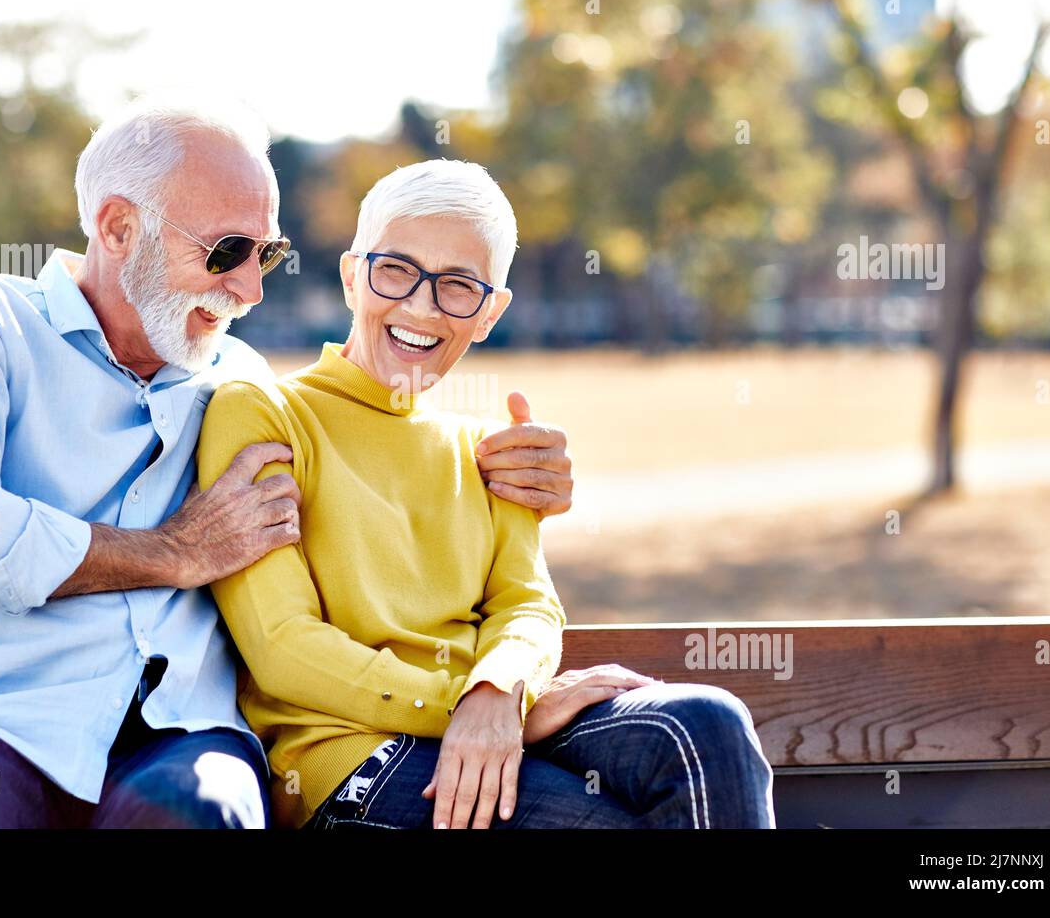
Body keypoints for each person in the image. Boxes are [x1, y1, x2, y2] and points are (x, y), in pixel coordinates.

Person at [0, 104, 575, 828]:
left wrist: (519, 471)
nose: (250, 291)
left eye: (267, 255)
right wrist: (170, 553)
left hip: (180, 742)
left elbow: (374, 438)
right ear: (118, 228)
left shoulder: (237, 379)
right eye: (226, 252)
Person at [197, 160, 776, 829]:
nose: (420, 305)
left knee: (706, 726)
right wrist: (475, 704)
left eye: (458, 287)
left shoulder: (493, 450)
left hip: (493, 725)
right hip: (350, 765)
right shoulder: (262, 412)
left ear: (489, 313)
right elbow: (283, 646)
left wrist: (502, 690)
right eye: (395, 270)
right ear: (352, 275)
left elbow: (526, 606)